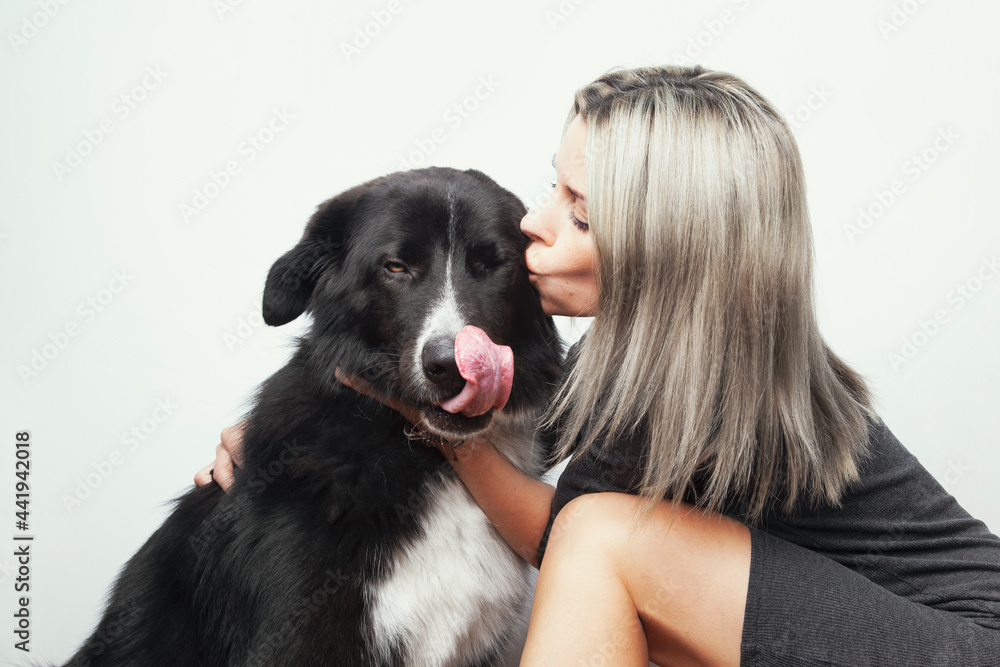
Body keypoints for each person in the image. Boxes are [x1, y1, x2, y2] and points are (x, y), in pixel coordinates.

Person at [195, 65, 1000, 665]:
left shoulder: (708, 383)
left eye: (577, 213)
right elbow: (508, 432)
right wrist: (283, 436)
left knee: (604, 537)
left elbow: (565, 535)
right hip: (864, 633)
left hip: (961, 642)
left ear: (660, 249)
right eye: (553, 186)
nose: (533, 224)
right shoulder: (646, 362)